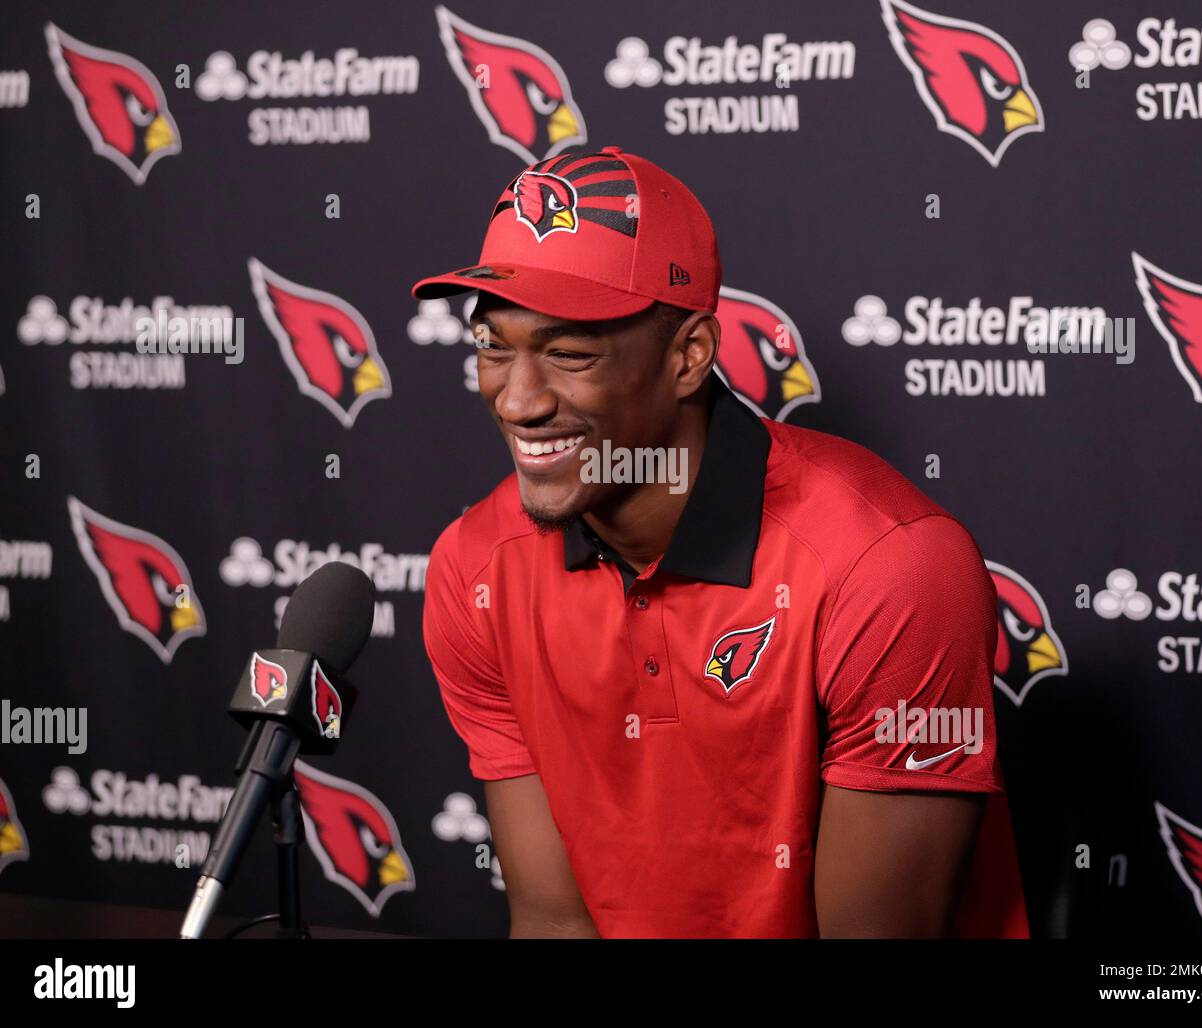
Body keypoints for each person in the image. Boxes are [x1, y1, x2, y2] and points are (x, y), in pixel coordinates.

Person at [415, 146, 1029, 938]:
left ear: (688, 357)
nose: (519, 399)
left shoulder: (890, 567)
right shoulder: (476, 569)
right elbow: (553, 924)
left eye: (570, 354)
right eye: (494, 347)